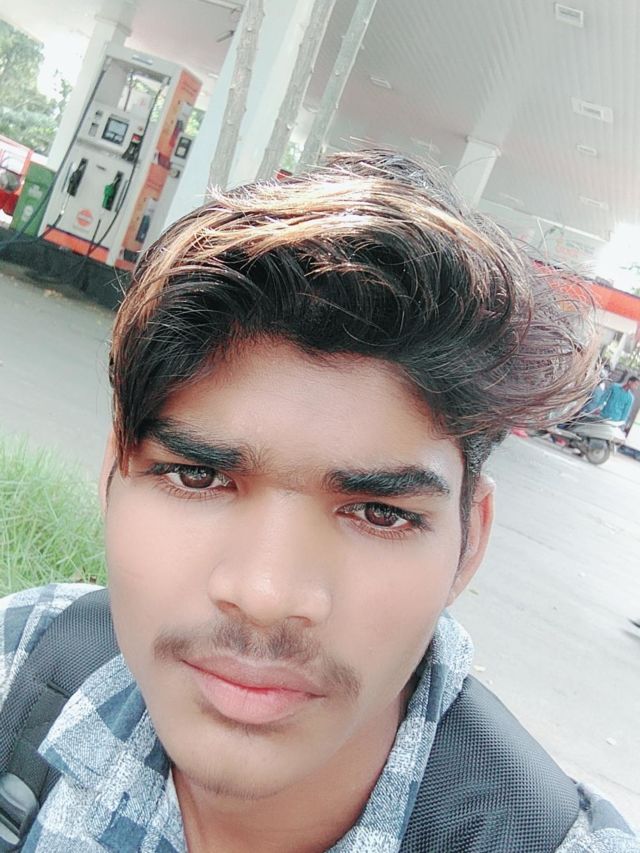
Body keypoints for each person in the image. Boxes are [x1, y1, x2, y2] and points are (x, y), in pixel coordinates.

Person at [1, 150, 638, 852]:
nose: (266, 595)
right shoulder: (23, 661)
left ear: (469, 544)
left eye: (380, 512)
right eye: (198, 477)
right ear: (113, 475)